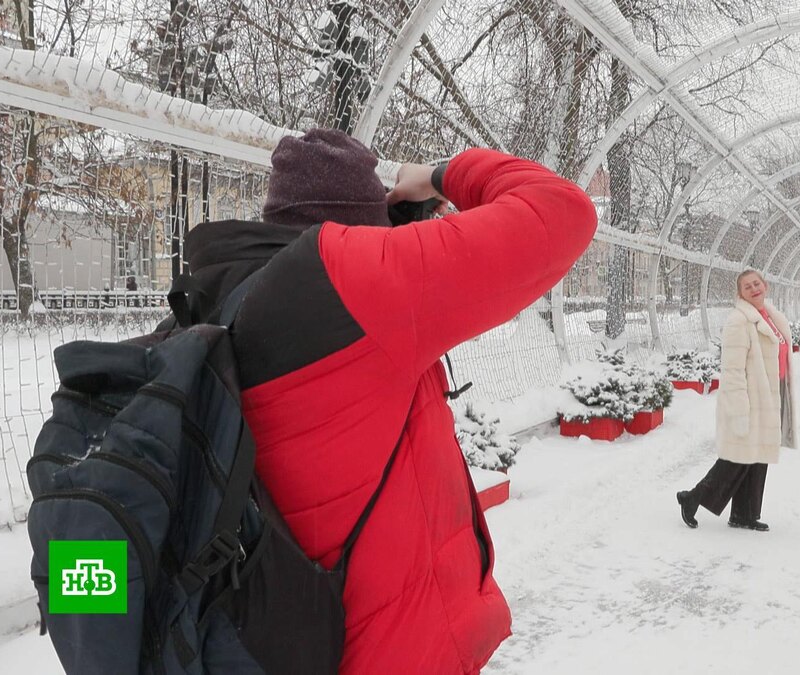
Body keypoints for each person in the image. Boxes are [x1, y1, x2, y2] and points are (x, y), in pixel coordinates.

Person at [180, 129, 597, 673]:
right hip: (393, 653)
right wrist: (441, 174)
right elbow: (562, 211)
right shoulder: (352, 281)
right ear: (369, 217)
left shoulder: (236, 292)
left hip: (294, 635)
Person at [676, 269, 797, 532]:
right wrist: (739, 409)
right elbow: (732, 371)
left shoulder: (770, 317)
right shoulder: (738, 321)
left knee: (757, 454)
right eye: (746, 287)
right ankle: (693, 497)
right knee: (738, 456)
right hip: (750, 397)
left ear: (765, 285)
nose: (754, 289)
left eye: (756, 283)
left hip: (770, 392)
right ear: (739, 294)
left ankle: (745, 513)